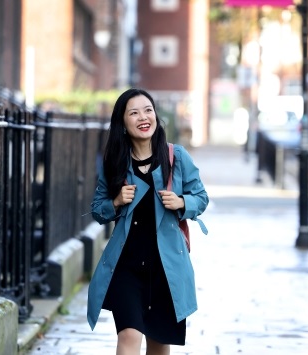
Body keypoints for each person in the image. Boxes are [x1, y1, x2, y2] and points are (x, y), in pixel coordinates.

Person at [86, 88, 208, 354]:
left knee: (158, 346)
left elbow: (201, 197)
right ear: (123, 123)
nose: (143, 117)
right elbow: (98, 210)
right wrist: (116, 201)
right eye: (134, 112)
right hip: (126, 267)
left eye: (148, 110)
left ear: (155, 116)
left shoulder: (177, 157)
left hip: (166, 270)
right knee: (128, 337)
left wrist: (182, 203)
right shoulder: (116, 163)